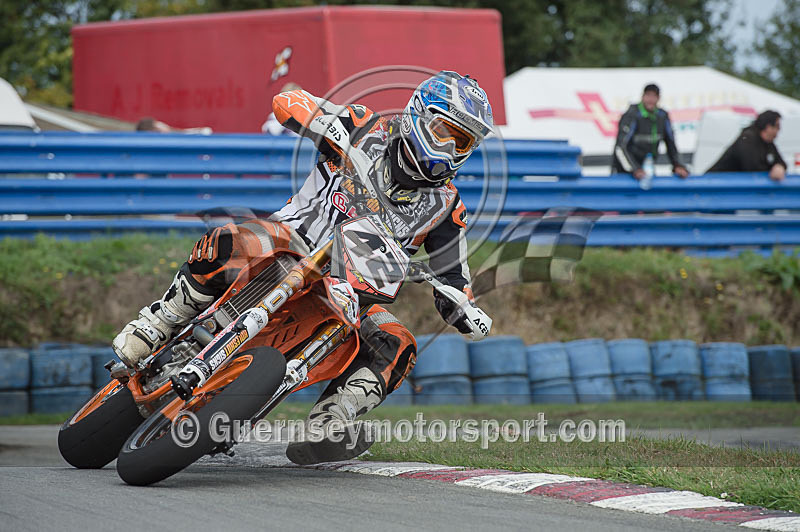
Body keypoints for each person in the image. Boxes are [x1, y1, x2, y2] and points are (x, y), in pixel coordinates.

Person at [111, 71, 494, 464]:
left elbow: (454, 276)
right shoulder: (365, 126)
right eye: (447, 131)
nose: (452, 147)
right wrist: (311, 116)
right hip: (288, 244)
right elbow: (288, 105)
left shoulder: (447, 208)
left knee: (397, 342)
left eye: (464, 141)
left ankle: (331, 421)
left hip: (346, 294)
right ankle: (158, 322)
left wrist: (464, 308)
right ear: (419, 116)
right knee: (233, 238)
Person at [612, 83, 689, 180]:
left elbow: (671, 144)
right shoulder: (632, 115)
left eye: (654, 96)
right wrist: (635, 169)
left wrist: (678, 165)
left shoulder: (662, 116)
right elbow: (620, 147)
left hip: (647, 169)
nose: (650, 100)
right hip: (625, 172)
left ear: (658, 98)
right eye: (648, 95)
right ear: (643, 97)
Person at [707, 110, 787, 181]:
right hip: (714, 183)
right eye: (777, 126)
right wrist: (772, 170)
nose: (779, 130)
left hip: (731, 185)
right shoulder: (747, 138)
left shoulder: (768, 144)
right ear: (767, 126)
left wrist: (779, 166)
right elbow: (752, 168)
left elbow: (782, 162)